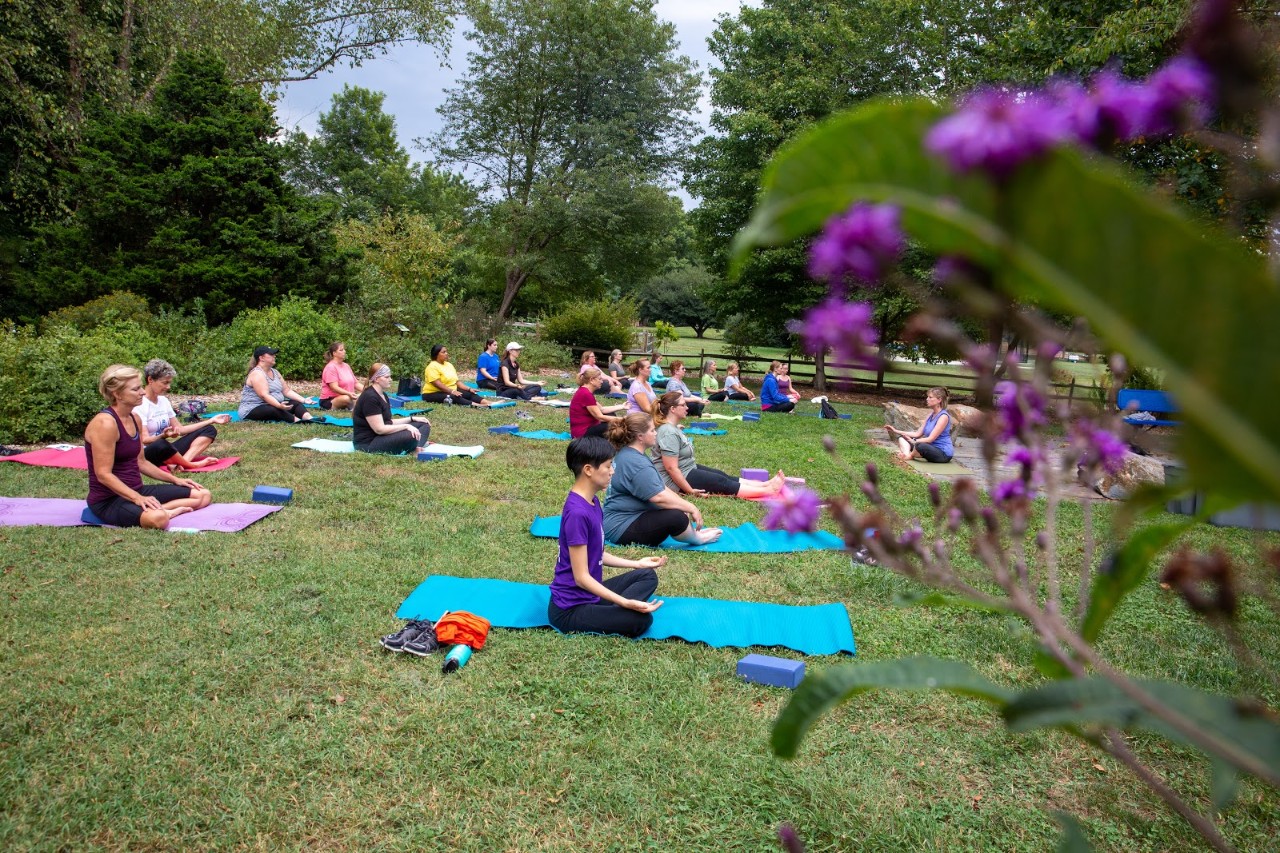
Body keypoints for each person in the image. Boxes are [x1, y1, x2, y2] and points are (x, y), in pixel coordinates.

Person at [548, 436, 669, 638]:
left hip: (590, 596)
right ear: (588, 470)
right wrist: (624, 602)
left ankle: (613, 611)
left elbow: (598, 554)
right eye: (607, 466)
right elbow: (581, 578)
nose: (612, 471)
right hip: (570, 609)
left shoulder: (592, 501)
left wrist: (637, 563)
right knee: (642, 620)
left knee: (647, 575)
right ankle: (618, 609)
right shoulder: (577, 513)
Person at [85, 364, 211, 529]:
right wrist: (137, 498)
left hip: (137, 489)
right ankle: (164, 512)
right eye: (136, 389)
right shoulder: (105, 423)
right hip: (109, 500)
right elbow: (103, 475)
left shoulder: (134, 418)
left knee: (202, 495)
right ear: (117, 394)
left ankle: (163, 509)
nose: (143, 392)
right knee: (158, 520)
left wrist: (176, 480)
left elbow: (141, 462)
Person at [602, 413, 722, 547]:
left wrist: (682, 503)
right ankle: (698, 539)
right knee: (676, 517)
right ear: (640, 436)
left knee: (678, 509)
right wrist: (691, 507)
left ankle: (693, 533)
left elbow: (661, 487)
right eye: (652, 430)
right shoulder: (635, 462)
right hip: (621, 528)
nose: (656, 433)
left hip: (623, 521)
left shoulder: (631, 454)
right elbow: (659, 497)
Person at [652, 392, 786, 498]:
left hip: (686, 469)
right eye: (683, 405)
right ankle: (768, 491)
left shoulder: (672, 428)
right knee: (720, 483)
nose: (687, 407)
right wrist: (689, 491)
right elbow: (671, 468)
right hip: (673, 481)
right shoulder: (668, 432)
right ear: (673, 409)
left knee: (722, 475)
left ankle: (764, 485)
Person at [138, 359, 229, 470]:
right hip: (148, 454)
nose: (168, 387)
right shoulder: (139, 404)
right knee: (161, 444)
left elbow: (180, 429)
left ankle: (181, 464)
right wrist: (163, 436)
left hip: (165, 449)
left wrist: (211, 420)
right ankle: (183, 464)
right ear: (150, 380)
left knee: (209, 429)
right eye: (165, 383)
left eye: (169, 382)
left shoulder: (163, 401)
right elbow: (145, 440)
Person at [354, 363, 432, 455]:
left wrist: (412, 419)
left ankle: (415, 447)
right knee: (411, 434)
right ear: (376, 379)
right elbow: (379, 429)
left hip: (381, 436)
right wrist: (406, 426)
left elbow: (388, 422)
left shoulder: (383, 395)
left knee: (423, 424)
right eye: (387, 377)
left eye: (390, 377)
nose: (390, 380)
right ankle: (413, 447)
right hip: (369, 443)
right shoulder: (370, 397)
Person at [239, 346, 322, 422]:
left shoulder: (275, 372)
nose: (274, 356)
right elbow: (264, 395)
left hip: (272, 405)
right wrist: (279, 405)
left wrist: (303, 400)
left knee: (295, 403)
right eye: (271, 354)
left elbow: (286, 390)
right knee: (273, 409)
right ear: (261, 358)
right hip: (252, 409)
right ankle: (298, 421)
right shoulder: (257, 373)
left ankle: (310, 419)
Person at [886, 386, 954, 462]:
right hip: (930, 447)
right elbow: (917, 434)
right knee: (903, 438)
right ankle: (907, 454)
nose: (927, 399)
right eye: (927, 397)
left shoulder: (943, 417)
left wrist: (915, 442)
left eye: (930, 397)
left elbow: (930, 439)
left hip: (943, 454)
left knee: (920, 445)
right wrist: (896, 431)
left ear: (939, 400)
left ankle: (910, 456)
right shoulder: (930, 415)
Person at [423, 344, 491, 406]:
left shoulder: (449, 365)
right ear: (436, 354)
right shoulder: (432, 366)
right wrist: (452, 391)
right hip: (432, 393)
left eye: (446, 352)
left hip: (450, 389)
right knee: (454, 396)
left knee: (469, 393)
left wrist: (469, 389)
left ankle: (489, 403)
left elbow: (457, 382)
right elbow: (437, 384)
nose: (446, 354)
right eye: (443, 352)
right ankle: (479, 406)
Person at [570, 367, 627, 438]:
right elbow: (600, 417)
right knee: (613, 425)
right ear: (591, 380)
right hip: (582, 434)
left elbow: (602, 409)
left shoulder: (584, 391)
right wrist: (622, 419)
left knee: (611, 415)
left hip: (587, 428)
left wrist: (622, 406)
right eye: (600, 379)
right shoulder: (586, 394)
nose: (602, 382)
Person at [319, 341, 363, 410]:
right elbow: (334, 387)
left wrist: (368, 390)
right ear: (334, 353)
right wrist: (349, 393)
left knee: (368, 394)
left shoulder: (346, 366)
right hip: (330, 400)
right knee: (347, 398)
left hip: (349, 396)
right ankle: (358, 405)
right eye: (341, 350)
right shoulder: (330, 367)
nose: (344, 351)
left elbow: (356, 383)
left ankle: (358, 404)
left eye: (344, 349)